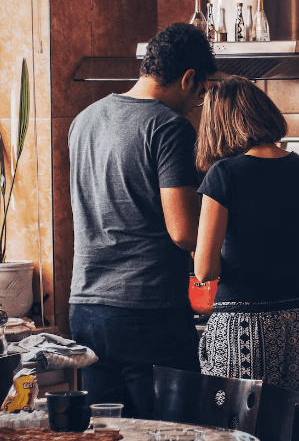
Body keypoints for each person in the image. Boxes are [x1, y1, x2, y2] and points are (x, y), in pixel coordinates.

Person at [68, 23, 216, 417]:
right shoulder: (169, 127)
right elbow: (184, 232)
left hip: (85, 308)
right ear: (188, 79)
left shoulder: (84, 120)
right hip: (146, 312)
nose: (195, 104)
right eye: (200, 94)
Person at [193, 76, 299, 400]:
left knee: (240, 437)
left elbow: (205, 271)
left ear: (219, 124)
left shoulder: (224, 174)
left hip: (242, 326)